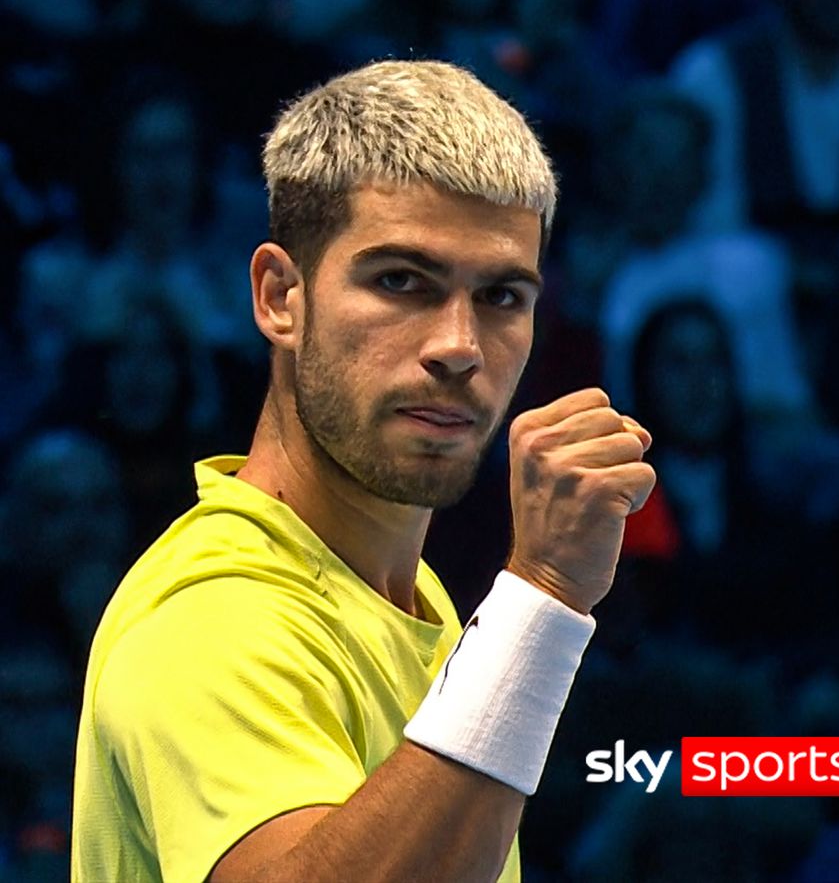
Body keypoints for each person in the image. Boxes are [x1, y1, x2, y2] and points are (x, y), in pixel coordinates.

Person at [70, 60, 657, 883]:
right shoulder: (213, 613)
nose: (459, 344)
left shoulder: (420, 605)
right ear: (280, 295)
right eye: (401, 282)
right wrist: (546, 593)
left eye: (501, 297)